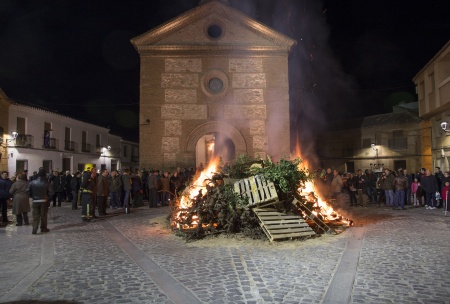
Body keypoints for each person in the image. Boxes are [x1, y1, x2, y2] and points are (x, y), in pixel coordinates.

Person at [27, 168, 53, 234]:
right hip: (44, 200)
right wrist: (48, 198)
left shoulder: (32, 182)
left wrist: (32, 196)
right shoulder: (46, 183)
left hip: (35, 200)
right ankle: (43, 228)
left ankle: (34, 229)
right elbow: (51, 192)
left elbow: (27, 191)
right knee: (43, 215)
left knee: (35, 215)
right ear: (44, 175)